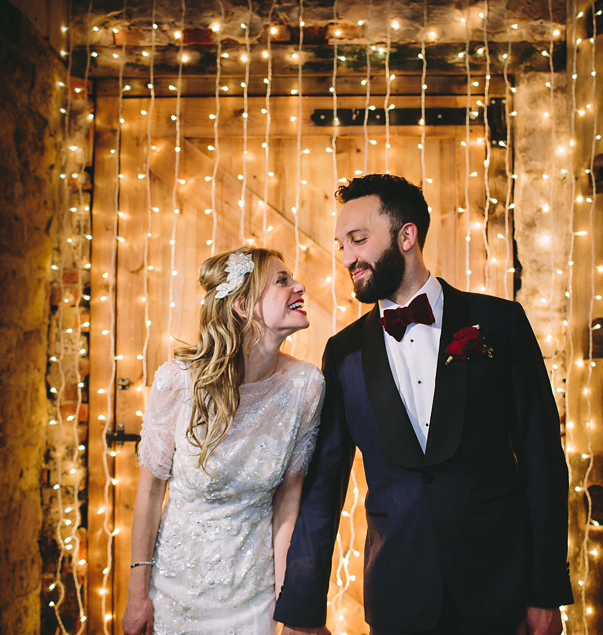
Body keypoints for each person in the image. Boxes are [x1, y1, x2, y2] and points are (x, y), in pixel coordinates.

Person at [275, 175, 574, 635]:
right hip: (399, 597)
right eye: (340, 246)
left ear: (407, 236)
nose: (347, 258)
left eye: (357, 240)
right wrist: (302, 610)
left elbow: (543, 462)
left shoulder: (500, 323)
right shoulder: (343, 352)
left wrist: (546, 591)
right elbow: (323, 488)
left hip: (501, 591)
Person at [122, 247, 326, 635]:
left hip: (254, 597)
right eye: (282, 281)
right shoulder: (177, 381)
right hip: (174, 595)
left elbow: (289, 501)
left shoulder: (306, 386)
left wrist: (292, 606)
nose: (299, 286)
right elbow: (149, 492)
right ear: (242, 306)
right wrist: (137, 596)